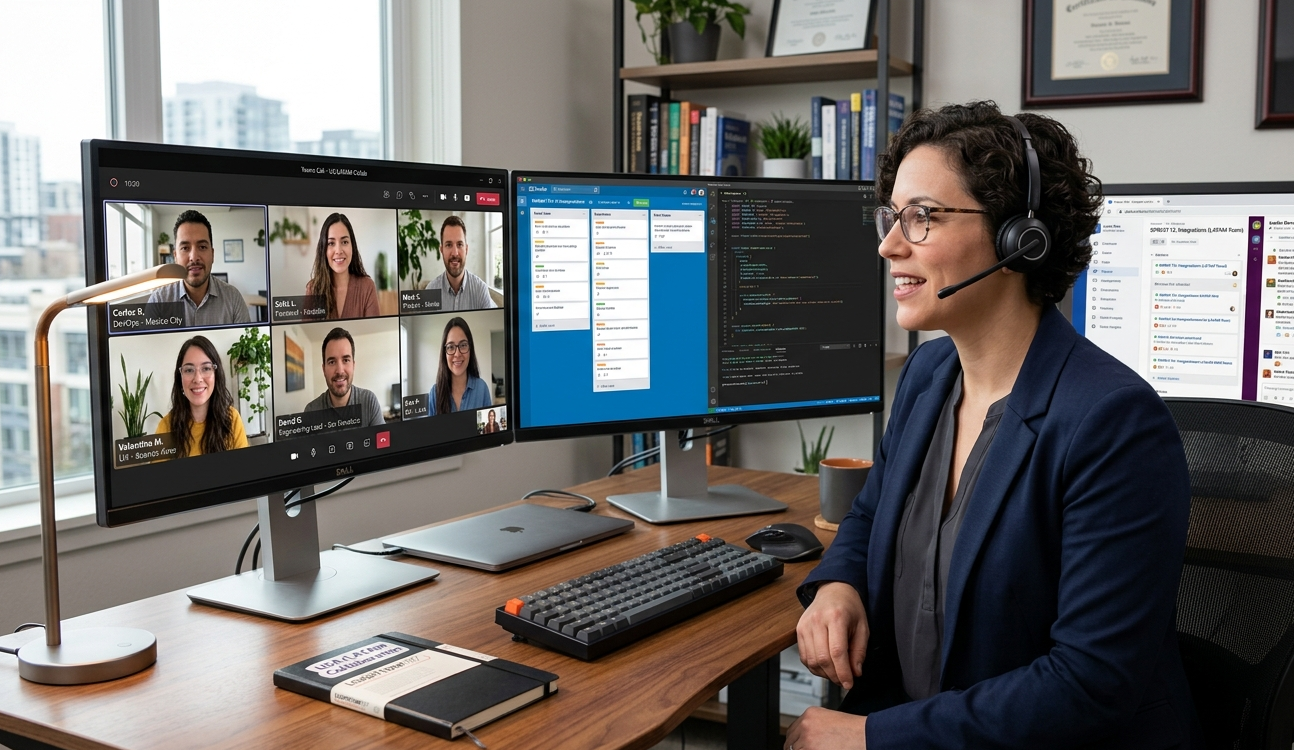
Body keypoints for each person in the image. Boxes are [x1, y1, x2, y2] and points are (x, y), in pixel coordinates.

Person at [786, 102, 1200, 750]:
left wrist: (870, 739)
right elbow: (870, 514)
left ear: (1019, 238)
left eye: (922, 217)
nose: (889, 244)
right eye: (891, 217)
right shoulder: (928, 375)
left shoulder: (1114, 425)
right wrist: (838, 585)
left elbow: (1087, 684)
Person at [147, 210, 252, 326]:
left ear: (212, 254)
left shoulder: (233, 299)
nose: (194, 257)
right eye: (185, 248)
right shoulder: (159, 301)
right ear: (175, 256)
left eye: (202, 247)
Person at [155, 335, 248, 457]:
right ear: (180, 377)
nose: (198, 379)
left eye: (206, 368)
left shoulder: (232, 419)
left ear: (216, 374)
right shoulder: (166, 426)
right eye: (189, 370)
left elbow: (244, 471)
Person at [302, 327, 385, 426]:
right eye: (332, 362)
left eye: (346, 360)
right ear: (324, 369)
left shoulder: (369, 401)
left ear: (353, 365)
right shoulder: (311, 411)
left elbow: (383, 440)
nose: (340, 371)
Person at [305, 213, 380, 319]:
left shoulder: (367, 287)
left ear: (352, 246)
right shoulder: (313, 289)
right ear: (323, 250)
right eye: (331, 243)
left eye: (344, 242)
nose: (339, 251)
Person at [422, 215, 498, 311]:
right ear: (441, 250)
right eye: (449, 245)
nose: (455, 253)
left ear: (466, 249)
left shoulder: (480, 290)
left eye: (459, 244)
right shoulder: (430, 291)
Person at [429, 316, 492, 415]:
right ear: (444, 353)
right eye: (450, 347)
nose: (457, 354)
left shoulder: (482, 388)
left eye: (463, 345)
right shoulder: (434, 393)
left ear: (470, 348)